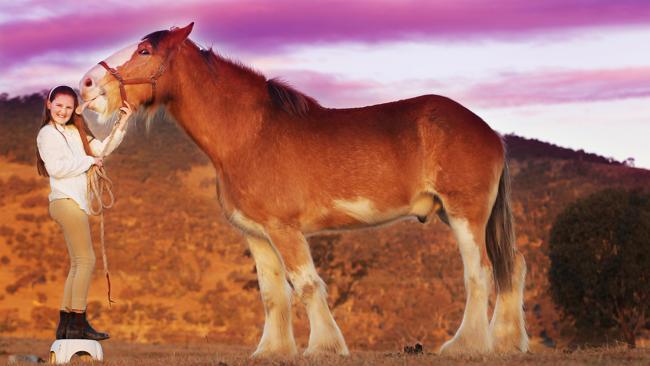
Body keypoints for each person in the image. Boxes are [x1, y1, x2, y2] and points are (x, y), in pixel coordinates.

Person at [36, 85, 132, 340]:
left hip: (76, 203)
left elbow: (101, 150)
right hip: (65, 201)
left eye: (68, 107)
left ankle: (66, 325)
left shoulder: (75, 131)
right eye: (58, 105)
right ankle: (79, 323)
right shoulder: (47, 134)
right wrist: (89, 161)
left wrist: (122, 121)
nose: (63, 111)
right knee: (86, 261)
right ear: (49, 104)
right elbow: (57, 168)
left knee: (78, 264)